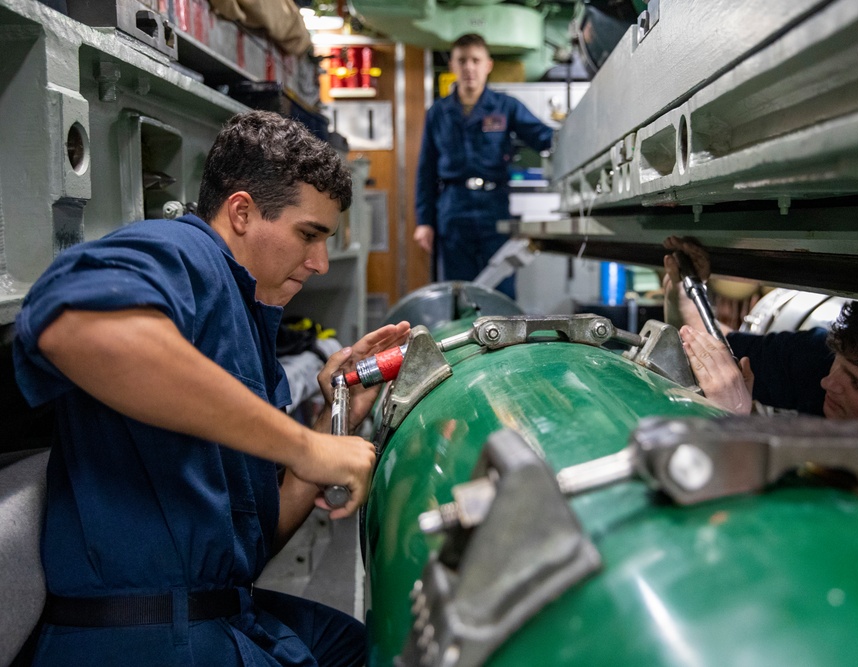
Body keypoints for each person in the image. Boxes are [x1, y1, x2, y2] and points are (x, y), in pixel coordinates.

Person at [13, 110, 410, 666]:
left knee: (367, 646)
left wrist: (332, 421)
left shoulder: (245, 313)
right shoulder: (182, 251)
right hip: (144, 636)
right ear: (242, 212)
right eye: (308, 235)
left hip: (220, 610)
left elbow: (251, 545)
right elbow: (75, 326)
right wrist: (306, 447)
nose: (320, 262)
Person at [662, 236, 858, 463]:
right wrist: (687, 291)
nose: (829, 382)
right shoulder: (823, 359)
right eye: (838, 363)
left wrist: (733, 424)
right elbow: (712, 349)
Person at [414, 33, 554, 300]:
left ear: (487, 65)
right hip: (453, 209)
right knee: (457, 291)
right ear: (452, 65)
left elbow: (544, 137)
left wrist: (574, 133)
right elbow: (426, 171)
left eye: (475, 60)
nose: (469, 68)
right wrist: (424, 222)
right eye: (462, 60)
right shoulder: (437, 113)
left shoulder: (506, 107)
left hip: (495, 207)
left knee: (500, 288)